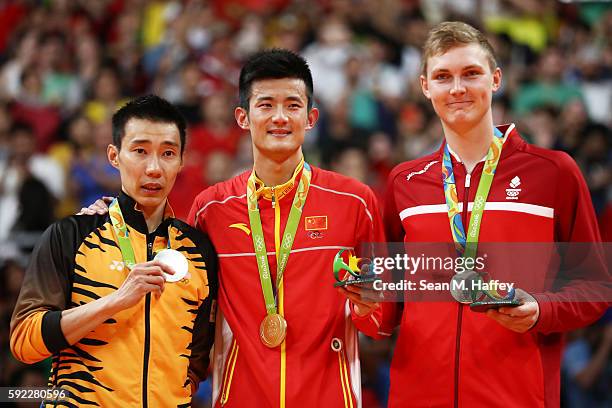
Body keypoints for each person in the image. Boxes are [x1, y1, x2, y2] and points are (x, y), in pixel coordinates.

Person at [342, 21, 610, 407]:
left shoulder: (553, 172)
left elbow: (595, 286)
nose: (457, 89)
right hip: (418, 395)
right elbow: (387, 307)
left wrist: (542, 310)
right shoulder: (405, 182)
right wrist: (365, 305)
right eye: (442, 76)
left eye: (471, 73)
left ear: (496, 78)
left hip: (517, 395)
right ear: (425, 87)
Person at [189, 49, 384, 407]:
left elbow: (382, 320)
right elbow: (189, 312)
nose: (279, 117)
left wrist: (369, 306)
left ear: (310, 118)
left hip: (329, 397)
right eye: (265, 105)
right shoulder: (210, 210)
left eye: (292, 105)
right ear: (242, 117)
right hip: (240, 398)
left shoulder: (355, 202)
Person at [10, 95, 218, 407]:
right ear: (114, 155)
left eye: (168, 154)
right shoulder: (71, 235)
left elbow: (197, 360)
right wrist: (115, 302)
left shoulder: (198, 250)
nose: (153, 168)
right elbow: (25, 341)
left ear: (181, 161)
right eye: (139, 151)